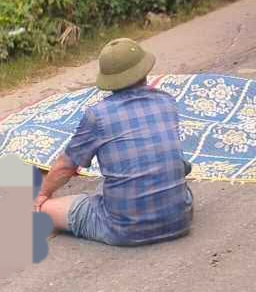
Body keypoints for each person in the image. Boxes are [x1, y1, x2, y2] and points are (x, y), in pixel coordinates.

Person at [33, 38, 193, 247]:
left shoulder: (97, 116)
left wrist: (43, 194)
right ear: (144, 70)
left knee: (45, 208)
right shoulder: (166, 101)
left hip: (124, 230)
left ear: (109, 80)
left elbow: (66, 167)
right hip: (180, 220)